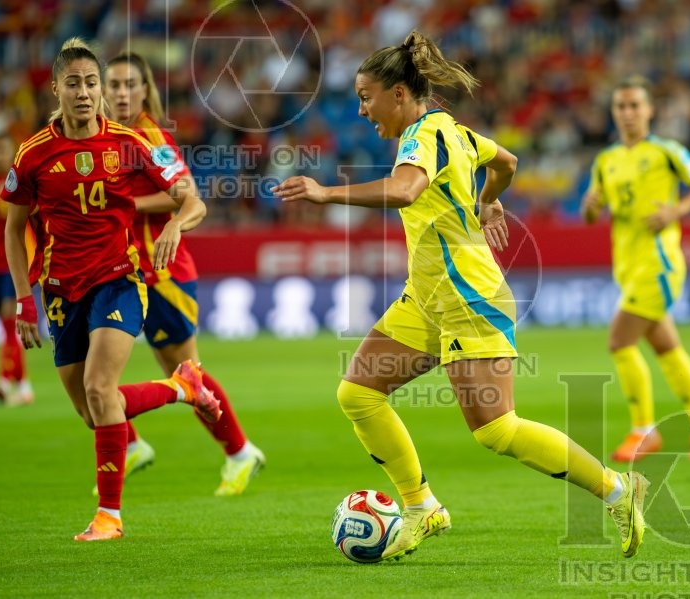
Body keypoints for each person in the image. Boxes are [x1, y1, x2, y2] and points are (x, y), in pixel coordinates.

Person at [272, 30, 649, 561]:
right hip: (427, 297)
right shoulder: (456, 131)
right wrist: (485, 202)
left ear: (399, 95)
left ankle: (616, 488)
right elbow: (508, 163)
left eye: (366, 97)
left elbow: (405, 190)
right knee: (358, 392)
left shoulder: (420, 137)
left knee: (496, 430)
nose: (361, 110)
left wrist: (325, 193)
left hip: (470, 296)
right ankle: (421, 506)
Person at [2, 38, 222, 541]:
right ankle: (180, 387)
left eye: (92, 83)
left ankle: (109, 517)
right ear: (55, 89)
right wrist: (23, 298)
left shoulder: (132, 141)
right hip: (60, 292)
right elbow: (15, 229)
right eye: (74, 84)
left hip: (119, 280)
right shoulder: (33, 154)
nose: (85, 93)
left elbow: (192, 200)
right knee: (90, 410)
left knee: (102, 391)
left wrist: (173, 225)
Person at [103, 51, 265, 496]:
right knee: (93, 369)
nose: (119, 93)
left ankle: (238, 451)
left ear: (143, 90)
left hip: (162, 274)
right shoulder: (102, 138)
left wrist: (127, 206)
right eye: (112, 85)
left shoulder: (149, 135)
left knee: (187, 374)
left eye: (128, 85)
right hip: (124, 272)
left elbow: (186, 194)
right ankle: (132, 443)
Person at [581, 75, 690, 463]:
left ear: (649, 110)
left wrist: (675, 211)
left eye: (634, 105)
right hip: (627, 265)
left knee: (620, 340)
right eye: (621, 107)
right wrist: (591, 205)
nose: (628, 113)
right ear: (614, 113)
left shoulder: (667, 151)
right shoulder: (605, 160)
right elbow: (592, 215)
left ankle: (643, 430)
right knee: (666, 347)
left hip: (659, 264)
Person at [0, 134, 33, 406]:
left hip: (9, 264)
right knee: (7, 328)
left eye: (4, 151)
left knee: (9, 324)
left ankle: (5, 379)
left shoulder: (16, 183)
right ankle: (25, 385)